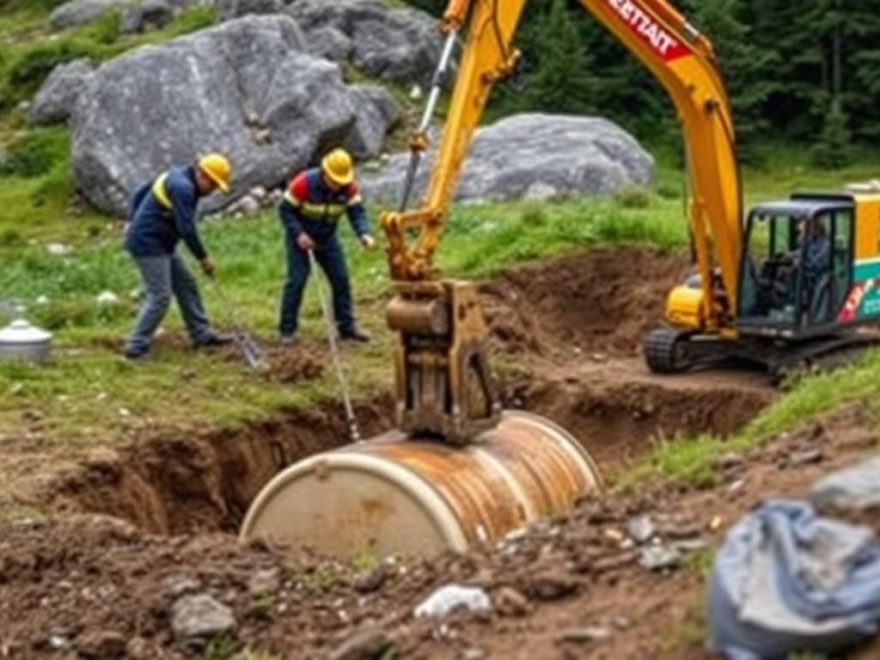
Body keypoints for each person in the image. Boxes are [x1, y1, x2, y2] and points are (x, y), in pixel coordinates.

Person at [122, 153, 233, 361]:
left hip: (163, 243)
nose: (214, 190)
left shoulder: (177, 174)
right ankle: (135, 346)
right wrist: (203, 257)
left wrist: (134, 219)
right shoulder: (184, 188)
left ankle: (201, 333)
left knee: (186, 284)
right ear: (202, 175)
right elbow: (187, 229)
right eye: (213, 184)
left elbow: (140, 193)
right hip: (148, 244)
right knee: (160, 295)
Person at [278, 148, 375, 345]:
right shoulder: (303, 183)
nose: (338, 185)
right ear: (325, 172)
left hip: (327, 238)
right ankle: (287, 330)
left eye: (342, 181)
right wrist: (299, 234)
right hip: (301, 239)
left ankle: (346, 327)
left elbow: (356, 212)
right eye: (334, 180)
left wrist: (363, 233)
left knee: (341, 279)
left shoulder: (349, 188)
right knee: (296, 282)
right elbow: (285, 210)